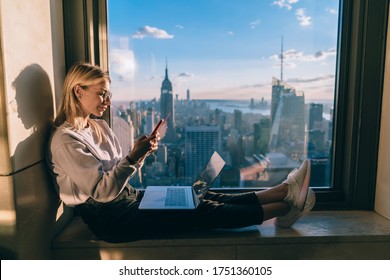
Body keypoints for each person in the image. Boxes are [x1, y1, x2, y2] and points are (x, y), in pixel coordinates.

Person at [47, 62, 315, 243]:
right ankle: (286, 207)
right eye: (102, 94)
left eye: (109, 94)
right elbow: (102, 192)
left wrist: (139, 155)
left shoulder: (100, 127)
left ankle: (282, 191)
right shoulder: (65, 140)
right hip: (110, 218)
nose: (108, 101)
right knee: (196, 210)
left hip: (127, 198)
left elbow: (120, 176)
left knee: (194, 194)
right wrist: (132, 157)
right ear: (78, 91)